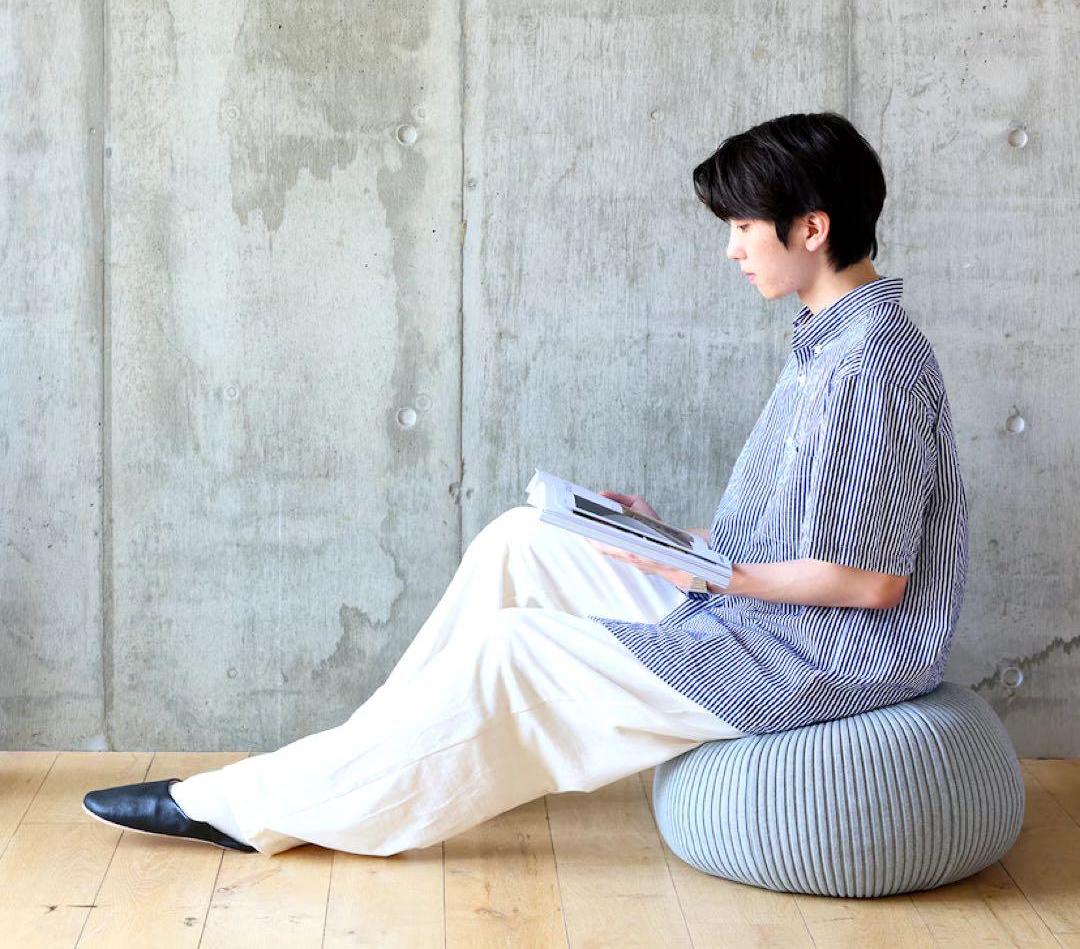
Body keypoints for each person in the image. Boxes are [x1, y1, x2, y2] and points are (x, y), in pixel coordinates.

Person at [82, 110, 969, 856]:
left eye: (743, 227)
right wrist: (671, 540)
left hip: (815, 655)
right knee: (524, 539)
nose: (730, 249)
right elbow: (808, 534)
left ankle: (251, 808)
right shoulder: (828, 346)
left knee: (515, 649)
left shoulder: (869, 367)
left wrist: (716, 573)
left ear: (810, 228)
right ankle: (352, 758)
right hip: (764, 612)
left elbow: (873, 584)